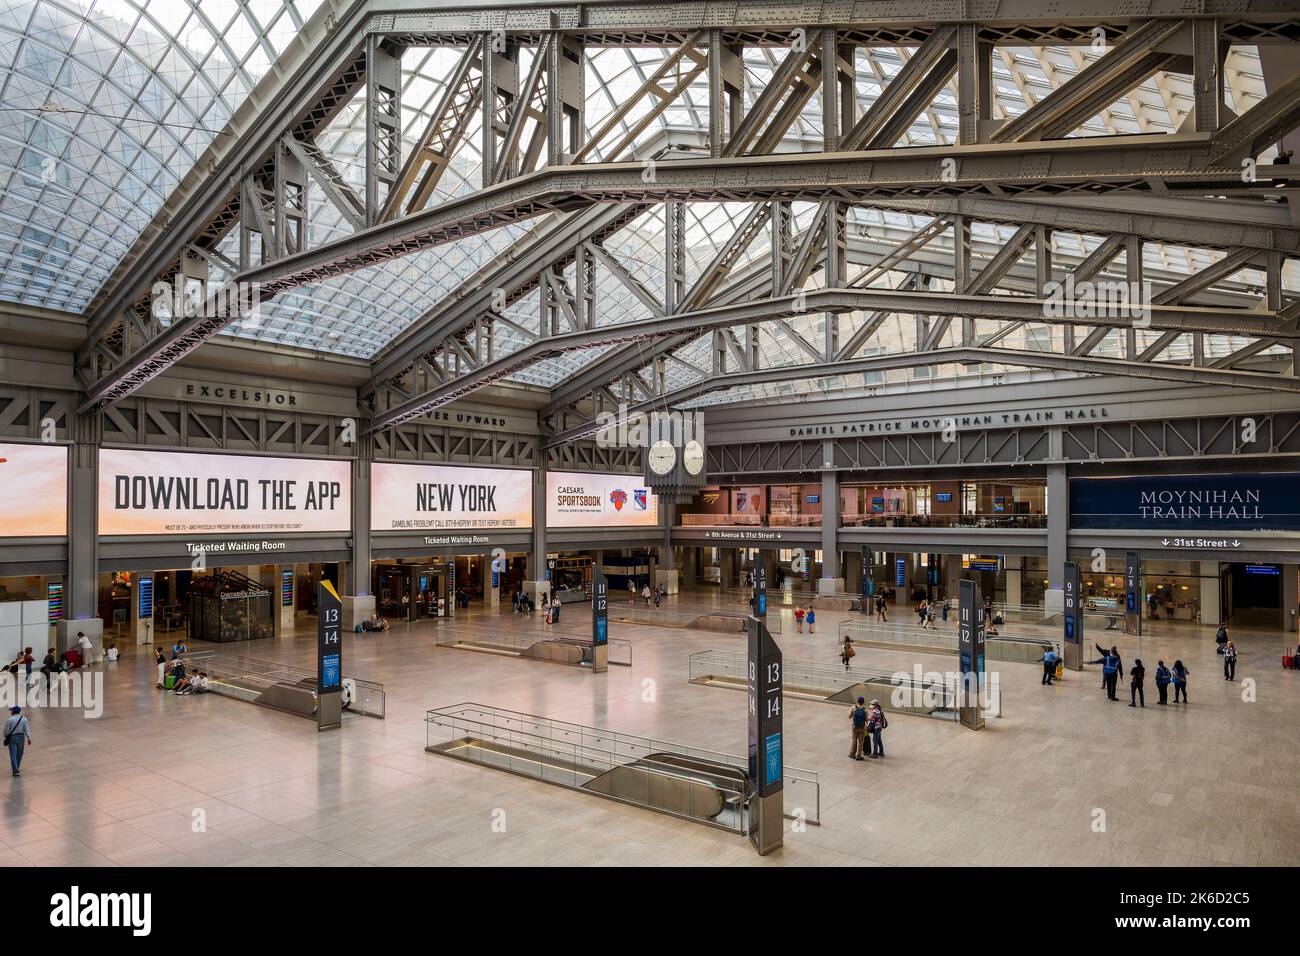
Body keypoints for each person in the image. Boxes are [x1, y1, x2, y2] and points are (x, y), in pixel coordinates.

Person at [4, 706, 30, 776]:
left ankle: (15, 770)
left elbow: (6, 731)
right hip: (21, 737)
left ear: (13, 712)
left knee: (13, 754)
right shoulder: (24, 719)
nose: (11, 712)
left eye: (11, 710)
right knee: (20, 753)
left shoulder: (9, 720)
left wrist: (6, 736)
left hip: (12, 737)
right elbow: (26, 729)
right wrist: (29, 738)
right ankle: (16, 767)